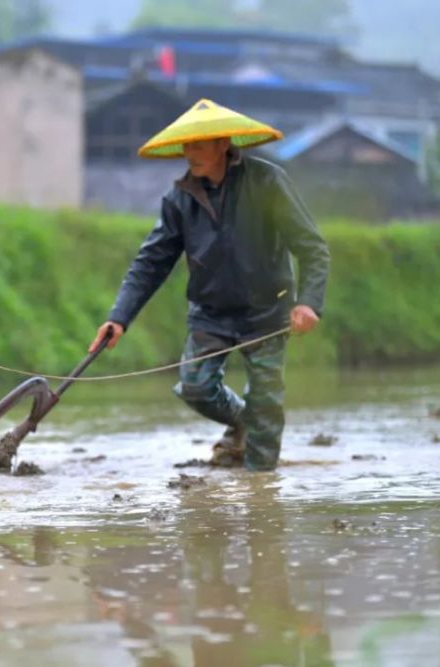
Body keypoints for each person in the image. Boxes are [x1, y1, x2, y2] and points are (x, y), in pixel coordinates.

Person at [89, 99, 330, 471]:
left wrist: (309, 302)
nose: (191, 153)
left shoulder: (266, 183)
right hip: (211, 314)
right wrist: (119, 318)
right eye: (187, 145)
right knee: (195, 387)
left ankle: (259, 492)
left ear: (223, 144)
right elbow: (150, 263)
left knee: (266, 402)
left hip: (268, 311)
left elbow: (312, 246)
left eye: (199, 144)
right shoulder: (180, 199)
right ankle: (245, 424)